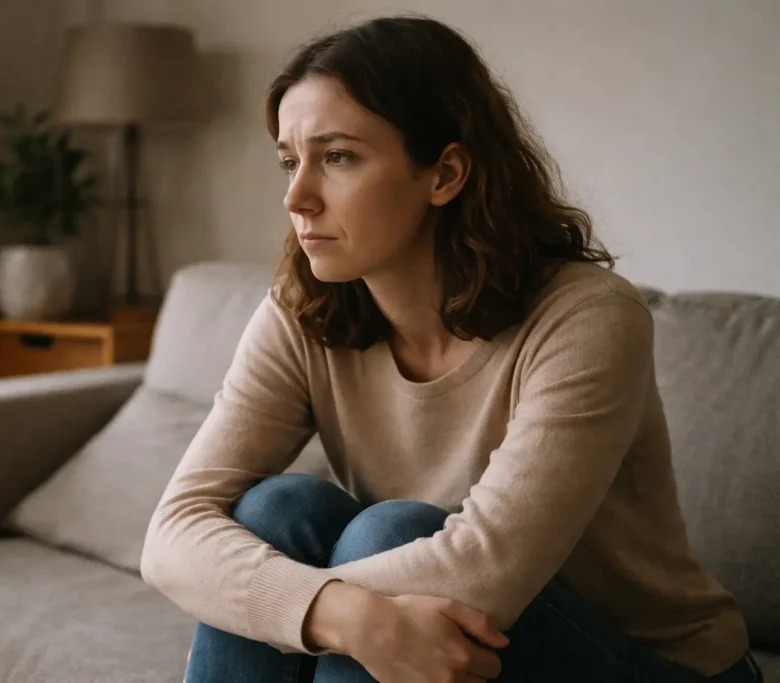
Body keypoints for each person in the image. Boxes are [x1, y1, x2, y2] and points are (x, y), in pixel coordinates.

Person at [140, 14, 762, 683]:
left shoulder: (588, 316)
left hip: (656, 666)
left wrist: (295, 608)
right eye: (291, 162)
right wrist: (343, 616)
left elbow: (481, 571)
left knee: (390, 532)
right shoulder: (301, 314)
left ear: (445, 173)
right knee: (276, 512)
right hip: (460, 637)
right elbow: (172, 535)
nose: (298, 197)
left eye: (339, 157)